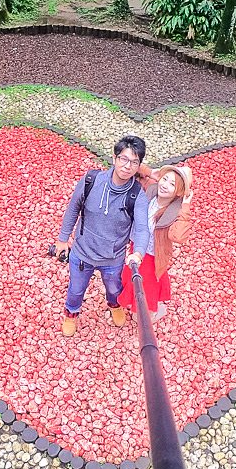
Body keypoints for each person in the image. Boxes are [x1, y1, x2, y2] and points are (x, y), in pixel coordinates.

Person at [52, 136, 151, 336]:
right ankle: (71, 314)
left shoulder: (136, 194)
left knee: (115, 289)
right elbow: (73, 208)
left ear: (139, 165)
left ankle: (114, 305)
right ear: (114, 158)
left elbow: (142, 228)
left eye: (134, 162)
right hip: (82, 253)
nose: (127, 166)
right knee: (76, 290)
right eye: (123, 159)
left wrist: (138, 253)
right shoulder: (92, 180)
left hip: (112, 258)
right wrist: (63, 239)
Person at [118, 165, 193, 323]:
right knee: (131, 277)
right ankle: (139, 307)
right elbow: (131, 168)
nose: (165, 185)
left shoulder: (175, 211)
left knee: (147, 286)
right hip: (137, 246)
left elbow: (178, 236)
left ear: (179, 192)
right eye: (165, 179)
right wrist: (152, 172)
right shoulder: (150, 192)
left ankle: (149, 313)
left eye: (172, 184)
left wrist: (186, 206)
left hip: (153, 255)